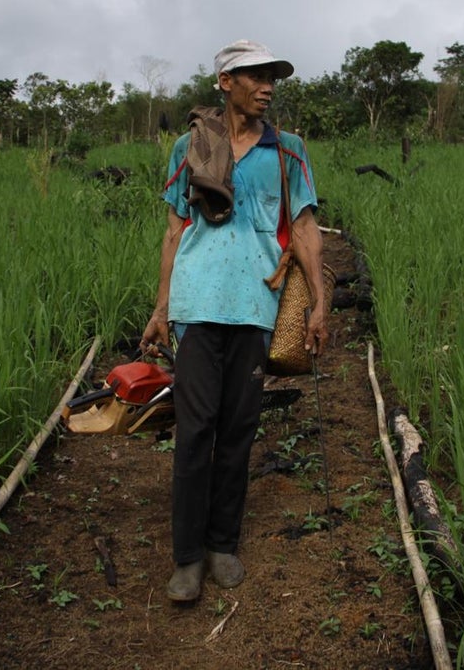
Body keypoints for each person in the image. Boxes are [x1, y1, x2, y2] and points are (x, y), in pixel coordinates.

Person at [140, 40, 329, 602]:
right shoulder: (190, 146)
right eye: (255, 77)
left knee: (239, 429)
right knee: (195, 430)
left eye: (273, 78)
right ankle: (187, 557)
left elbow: (305, 227)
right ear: (226, 82)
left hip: (255, 308)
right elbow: (175, 229)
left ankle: (223, 543)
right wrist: (161, 308)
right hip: (196, 305)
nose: (267, 87)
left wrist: (320, 303)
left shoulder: (288, 150)